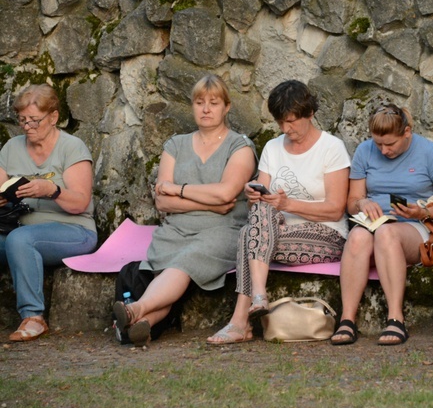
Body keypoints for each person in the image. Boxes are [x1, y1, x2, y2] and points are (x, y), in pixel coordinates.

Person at [113, 75, 256, 346]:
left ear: (226, 107)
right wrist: (209, 200)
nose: (205, 109)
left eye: (213, 103)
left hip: (222, 229)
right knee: (169, 271)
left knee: (183, 264)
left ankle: (136, 310)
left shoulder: (240, 146)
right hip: (176, 229)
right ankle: (143, 324)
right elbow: (162, 202)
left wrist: (178, 189)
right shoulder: (175, 145)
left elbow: (227, 195)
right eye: (199, 102)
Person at [207, 80, 350, 345]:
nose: (286, 129)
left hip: (327, 235)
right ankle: (258, 295)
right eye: (280, 122)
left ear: (310, 113)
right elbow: (259, 207)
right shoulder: (273, 148)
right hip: (273, 232)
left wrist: (287, 204)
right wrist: (253, 197)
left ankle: (240, 322)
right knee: (256, 219)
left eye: (292, 121)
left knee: (247, 236)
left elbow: (335, 209)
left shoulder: (331, 148)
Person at [330, 102, 433, 346]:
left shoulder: (428, 151)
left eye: (390, 144)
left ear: (407, 132)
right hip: (373, 224)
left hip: (415, 227)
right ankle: (347, 320)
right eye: (378, 144)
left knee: (387, 233)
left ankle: (395, 318)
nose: (383, 151)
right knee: (358, 236)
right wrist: (362, 204)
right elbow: (351, 202)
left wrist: (422, 211)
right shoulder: (364, 151)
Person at [0, 84, 97, 342]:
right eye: (22, 120)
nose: (28, 126)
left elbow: (79, 203)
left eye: (34, 120)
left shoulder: (72, 147)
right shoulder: (11, 147)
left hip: (74, 230)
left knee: (21, 240)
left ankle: (33, 317)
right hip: (20, 228)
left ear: (53, 117)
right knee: (18, 238)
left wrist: (51, 190)